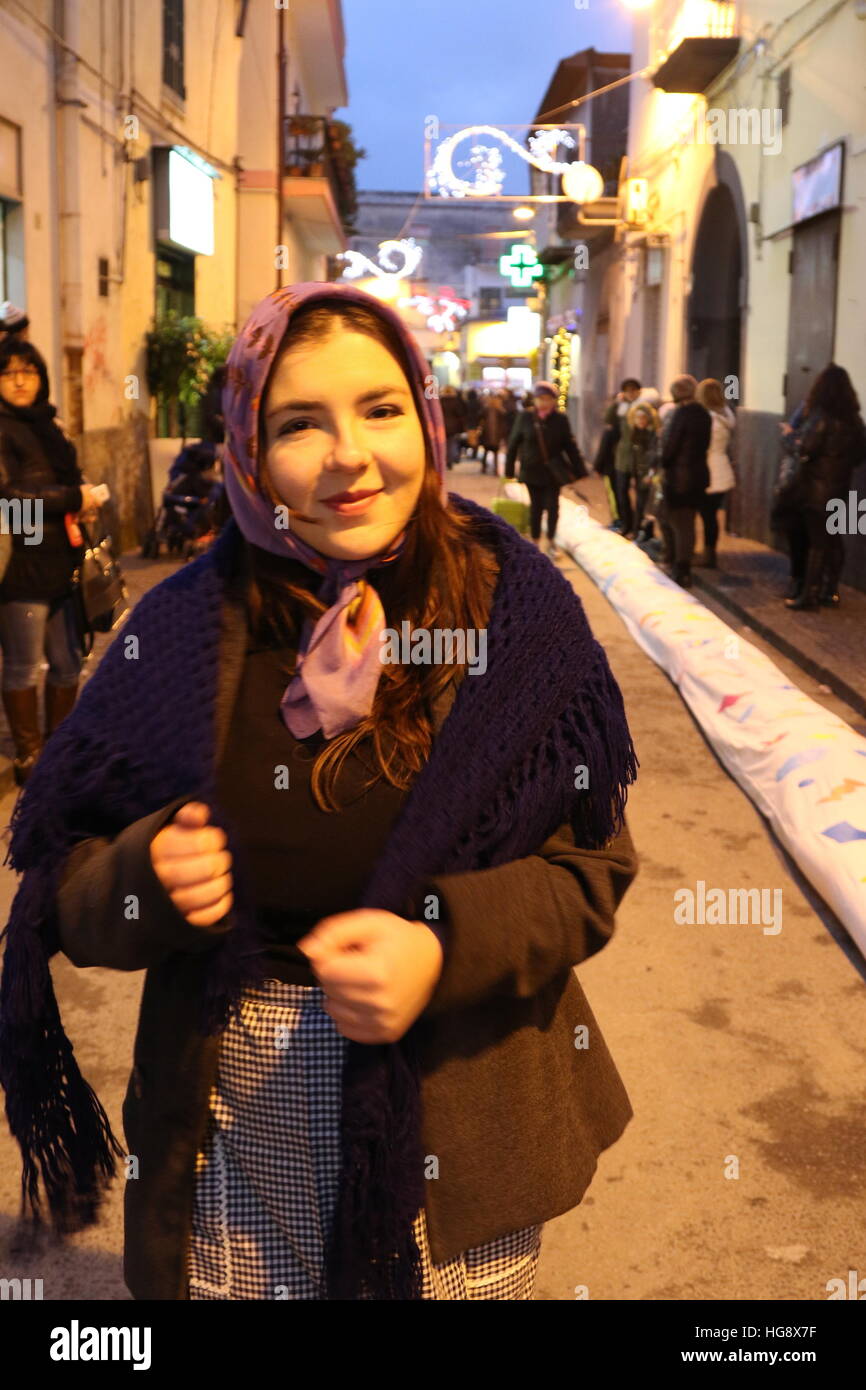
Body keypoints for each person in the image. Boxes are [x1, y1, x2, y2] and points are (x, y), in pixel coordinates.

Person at [0, 282, 639, 1304]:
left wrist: (442, 939)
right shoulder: (175, 635)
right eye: (300, 422)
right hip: (228, 1148)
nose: (349, 454)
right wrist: (142, 877)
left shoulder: (516, 617)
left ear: (426, 420)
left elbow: (591, 870)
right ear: (247, 447)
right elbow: (64, 891)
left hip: (459, 1131)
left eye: (380, 409)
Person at [0, 337, 101, 783]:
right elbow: (8, 503)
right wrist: (71, 498)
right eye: (8, 372)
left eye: (29, 371)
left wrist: (84, 498)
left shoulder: (49, 425)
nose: (20, 381)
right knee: (23, 664)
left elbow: (65, 482)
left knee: (68, 662)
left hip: (66, 561)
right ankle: (29, 755)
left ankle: (57, 749)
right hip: (20, 567)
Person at [783, 363, 866, 610]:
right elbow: (860, 456)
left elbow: (804, 449)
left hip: (816, 490)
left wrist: (788, 437)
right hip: (843, 489)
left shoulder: (820, 418)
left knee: (817, 543)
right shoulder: (856, 421)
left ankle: (809, 595)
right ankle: (831, 591)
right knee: (834, 540)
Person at [504, 380, 585, 559]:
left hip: (553, 471)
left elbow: (569, 445)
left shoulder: (560, 419)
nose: (544, 402)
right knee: (536, 507)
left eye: (548, 399)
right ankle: (535, 542)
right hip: (531, 470)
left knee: (553, 506)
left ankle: (550, 540)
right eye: (541, 398)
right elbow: (513, 443)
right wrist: (509, 470)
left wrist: (580, 470)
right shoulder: (525, 417)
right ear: (535, 400)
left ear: (554, 400)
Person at [658, 374, 711, 588]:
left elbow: (671, 447)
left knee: (679, 524)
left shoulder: (680, 415)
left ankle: (680, 568)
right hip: (698, 475)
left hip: (679, 477)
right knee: (688, 522)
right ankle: (681, 566)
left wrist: (662, 461)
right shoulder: (704, 414)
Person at [694, 379, 736, 570]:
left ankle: (707, 555)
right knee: (711, 515)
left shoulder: (706, 418)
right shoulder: (726, 414)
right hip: (722, 468)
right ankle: (709, 552)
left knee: (706, 515)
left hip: (708, 470)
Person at [602, 379, 641, 533]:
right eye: (627, 391)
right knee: (621, 491)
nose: (630, 393)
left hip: (639, 458)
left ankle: (637, 527)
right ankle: (626, 523)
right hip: (622, 457)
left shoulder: (643, 407)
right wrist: (617, 402)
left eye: (633, 390)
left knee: (640, 496)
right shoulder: (621, 409)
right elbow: (608, 420)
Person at [627, 401, 660, 540]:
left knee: (647, 506)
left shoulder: (652, 435)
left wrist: (651, 474)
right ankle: (638, 533)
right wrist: (633, 475)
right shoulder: (635, 434)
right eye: (637, 418)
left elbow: (655, 457)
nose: (640, 421)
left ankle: (645, 534)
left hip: (648, 476)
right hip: (639, 475)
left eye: (643, 418)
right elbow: (633, 458)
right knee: (640, 505)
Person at [439, 385, 466, 469]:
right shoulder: (456, 401)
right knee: (451, 443)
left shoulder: (440, 401)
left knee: (443, 444)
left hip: (442, 425)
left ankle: (443, 460)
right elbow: (460, 414)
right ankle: (450, 461)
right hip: (453, 426)